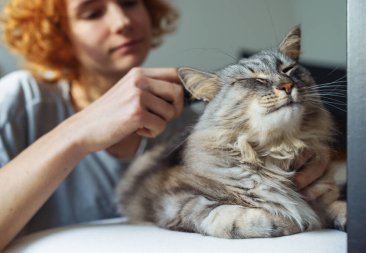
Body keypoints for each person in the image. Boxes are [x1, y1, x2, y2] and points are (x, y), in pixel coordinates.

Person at [0, 0, 329, 250]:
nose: (123, 21)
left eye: (130, 2)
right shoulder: (19, 98)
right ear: (58, 33)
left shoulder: (189, 126)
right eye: (92, 12)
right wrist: (80, 128)